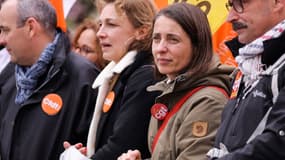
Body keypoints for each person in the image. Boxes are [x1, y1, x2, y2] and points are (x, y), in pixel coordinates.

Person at [117, 2, 233, 160]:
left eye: (173, 40)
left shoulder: (208, 101)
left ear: (198, 46)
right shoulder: (171, 90)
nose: (160, 48)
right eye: (156, 39)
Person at [0, 0, 99, 159]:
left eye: (5, 30)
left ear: (31, 27)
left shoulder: (84, 79)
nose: (1, 40)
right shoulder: (9, 77)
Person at [60, 0, 159, 159]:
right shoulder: (119, 74)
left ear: (142, 31)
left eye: (111, 24)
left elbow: (122, 146)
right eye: (100, 24)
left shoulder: (145, 76)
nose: (100, 33)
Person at [207, 0, 285, 159]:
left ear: (277, 2)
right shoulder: (247, 64)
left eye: (241, 3)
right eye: (231, 5)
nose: (230, 17)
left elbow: (276, 145)